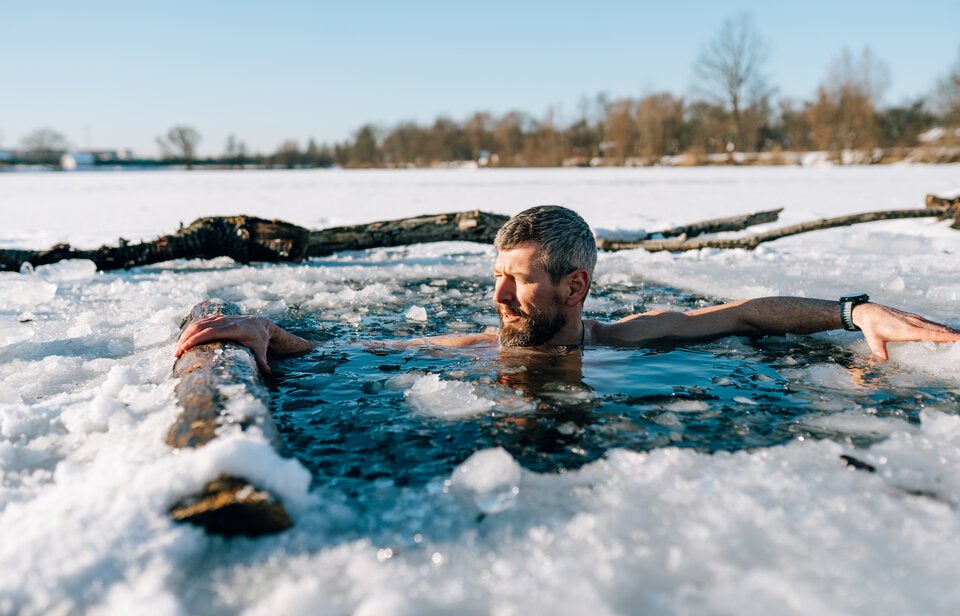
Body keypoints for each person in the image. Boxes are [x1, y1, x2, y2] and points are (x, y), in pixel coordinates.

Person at [175, 205, 960, 373]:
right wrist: (271, 334)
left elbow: (746, 312)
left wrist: (853, 309)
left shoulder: (629, 338)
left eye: (516, 285)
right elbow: (366, 347)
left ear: (575, 286)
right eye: (496, 282)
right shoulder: (482, 345)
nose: (498, 303)